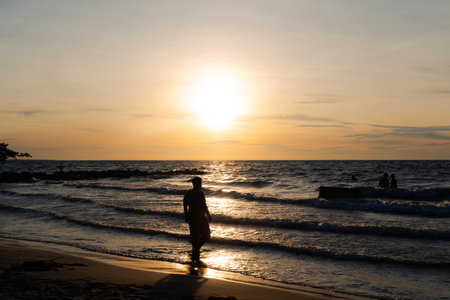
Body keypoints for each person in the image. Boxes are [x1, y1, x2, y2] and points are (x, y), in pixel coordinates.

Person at [183, 177, 212, 259]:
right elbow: (204, 205)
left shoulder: (188, 193)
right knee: (206, 235)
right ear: (196, 184)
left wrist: (186, 215)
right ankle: (196, 250)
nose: (201, 185)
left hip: (192, 216)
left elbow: (184, 204)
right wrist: (209, 215)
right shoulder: (200, 193)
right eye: (200, 183)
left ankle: (196, 250)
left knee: (195, 235)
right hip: (199, 217)